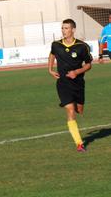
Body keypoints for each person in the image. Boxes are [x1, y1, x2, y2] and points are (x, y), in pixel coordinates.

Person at [48, 19, 92, 152]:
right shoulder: (56, 44)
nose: (63, 30)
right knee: (70, 110)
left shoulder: (82, 46)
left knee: (79, 110)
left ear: (73, 29)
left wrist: (76, 72)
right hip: (63, 83)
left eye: (66, 28)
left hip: (78, 83)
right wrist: (50, 69)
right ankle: (79, 143)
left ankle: (78, 136)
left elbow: (89, 64)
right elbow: (52, 54)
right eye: (62, 28)